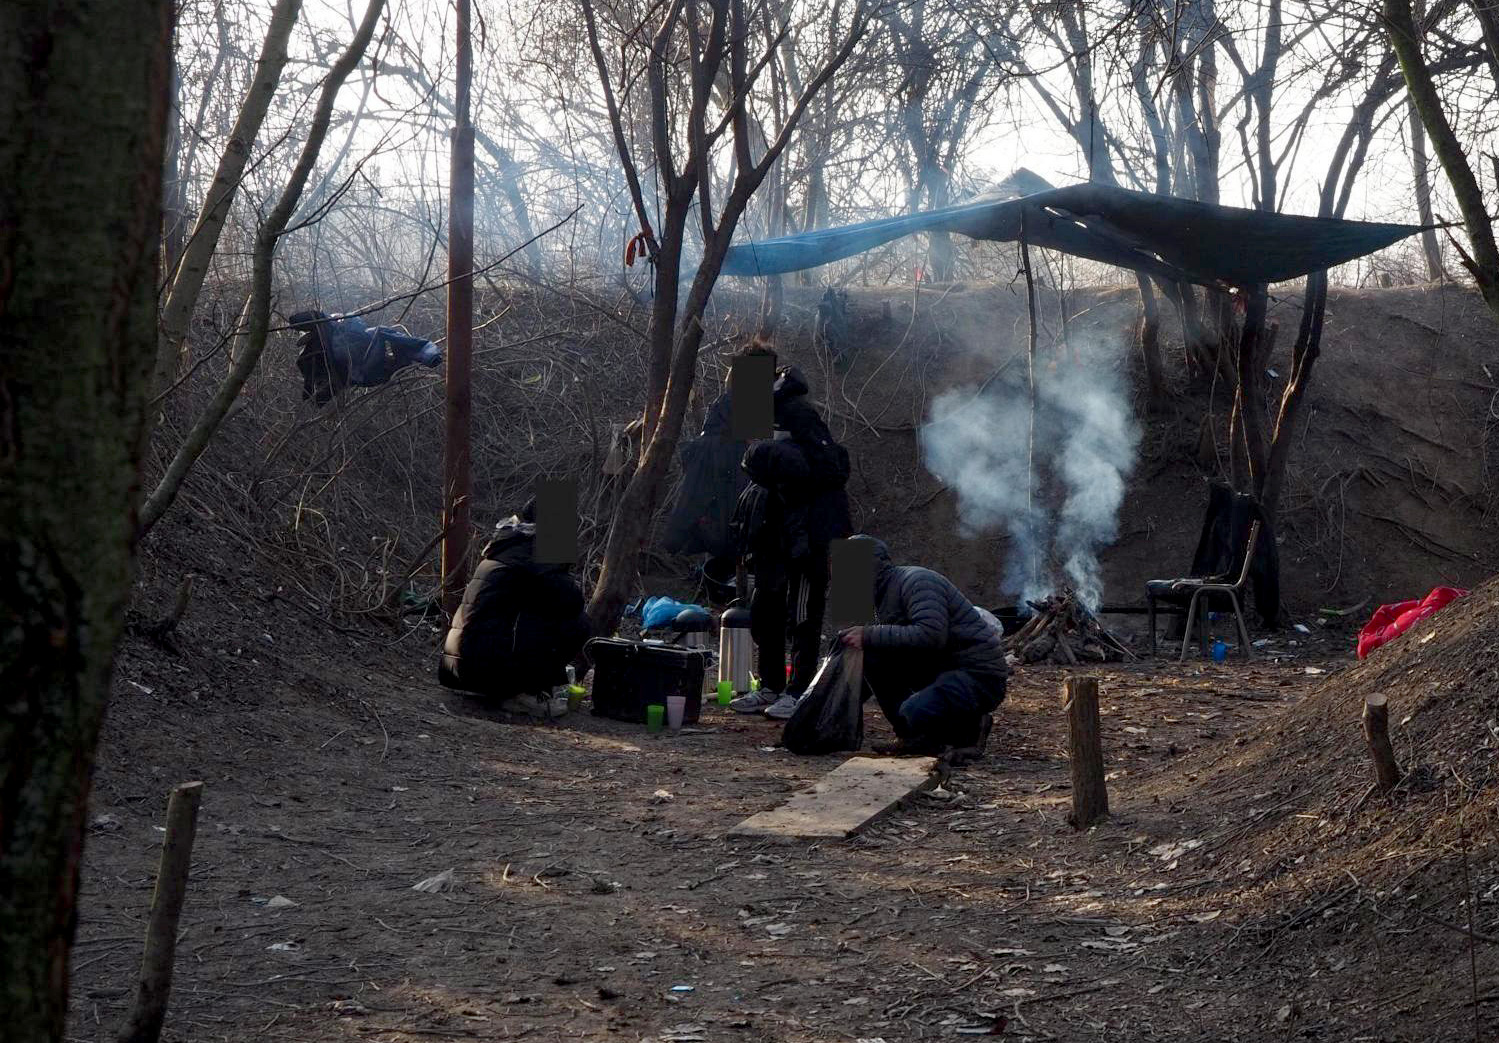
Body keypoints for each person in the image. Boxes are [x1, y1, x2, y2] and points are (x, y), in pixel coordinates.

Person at [729, 346, 853, 719]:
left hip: (810, 530)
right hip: (773, 528)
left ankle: (799, 690)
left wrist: (784, 461)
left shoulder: (799, 413)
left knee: (802, 610)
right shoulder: (757, 415)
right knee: (765, 606)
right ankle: (769, 686)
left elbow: (832, 468)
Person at [836, 535, 1006, 761]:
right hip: (941, 668)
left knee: (915, 710)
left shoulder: (916, 581)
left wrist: (868, 634)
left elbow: (931, 634)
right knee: (873, 656)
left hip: (977, 675)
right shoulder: (883, 594)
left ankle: (972, 729)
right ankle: (913, 737)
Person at [438, 501, 591, 717]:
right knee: (577, 623)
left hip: (458, 667)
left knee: (536, 614)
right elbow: (572, 601)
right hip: (482, 668)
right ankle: (521, 693)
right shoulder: (533, 553)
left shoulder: (508, 545)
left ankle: (522, 687)